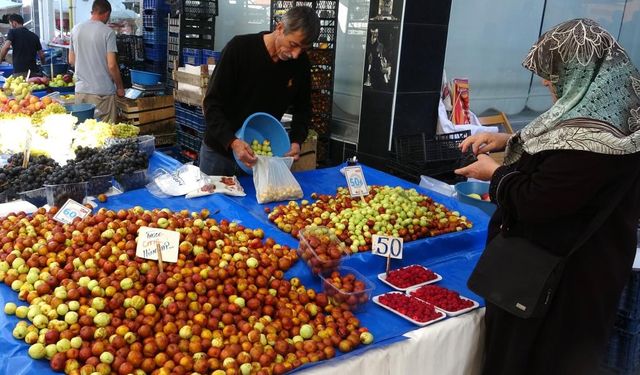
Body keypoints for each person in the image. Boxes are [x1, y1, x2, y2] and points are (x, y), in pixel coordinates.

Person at [455, 19, 640, 375]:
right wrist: (511, 143)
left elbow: (535, 200)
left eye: (555, 71)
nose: (544, 80)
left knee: (529, 361)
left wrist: (494, 173)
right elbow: (558, 144)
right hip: (589, 271)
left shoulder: (591, 144)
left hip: (557, 289)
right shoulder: (617, 110)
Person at [200, 6, 320, 176]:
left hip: (259, 160)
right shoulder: (240, 49)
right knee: (212, 202)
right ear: (280, 28)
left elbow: (303, 109)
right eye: (293, 45)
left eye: (303, 49)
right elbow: (211, 103)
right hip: (219, 155)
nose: (295, 54)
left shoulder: (300, 64)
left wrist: (296, 141)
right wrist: (233, 142)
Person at [69, 0, 124, 123]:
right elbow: (112, 65)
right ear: (106, 14)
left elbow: (72, 60)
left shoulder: (75, 29)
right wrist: (120, 87)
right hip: (102, 93)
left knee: (84, 132)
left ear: (92, 12)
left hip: (81, 91)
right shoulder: (108, 32)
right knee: (105, 133)